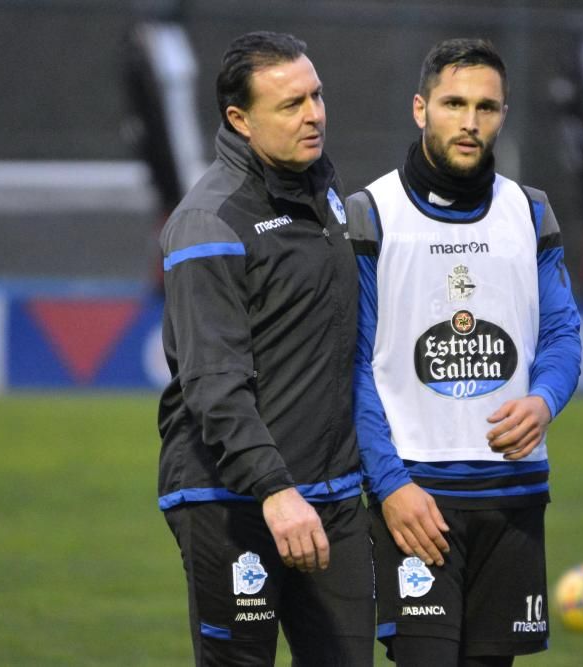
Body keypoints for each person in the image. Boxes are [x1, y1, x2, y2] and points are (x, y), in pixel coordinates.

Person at [346, 38, 582, 666]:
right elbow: (353, 366)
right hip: (417, 499)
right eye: (454, 103)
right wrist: (390, 485)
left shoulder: (530, 213)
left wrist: (544, 400)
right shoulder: (371, 215)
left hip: (514, 496)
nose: (471, 122)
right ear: (420, 109)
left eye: (487, 107)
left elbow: (561, 335)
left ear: (503, 114)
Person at [157, 31, 374, 666]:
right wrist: (275, 491)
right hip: (235, 501)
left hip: (331, 496)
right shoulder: (209, 222)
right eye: (290, 104)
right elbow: (213, 383)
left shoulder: (325, 192)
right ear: (239, 119)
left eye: (317, 96)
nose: (314, 115)